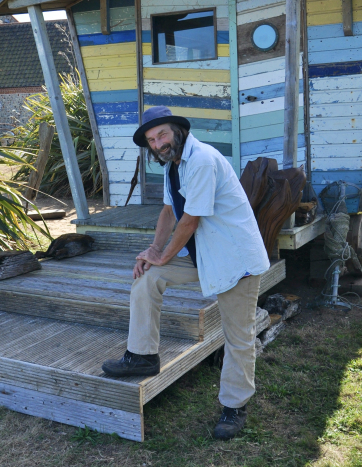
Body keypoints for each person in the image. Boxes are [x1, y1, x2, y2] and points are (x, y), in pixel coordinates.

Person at [101, 106, 271, 440]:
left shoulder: (203, 159)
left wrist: (164, 255)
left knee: (238, 336)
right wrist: (154, 252)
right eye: (151, 140)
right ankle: (142, 356)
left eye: (162, 134)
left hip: (236, 259)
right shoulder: (173, 167)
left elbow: (190, 220)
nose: (158, 144)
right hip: (204, 254)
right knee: (148, 276)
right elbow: (168, 211)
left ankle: (235, 406)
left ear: (177, 131)